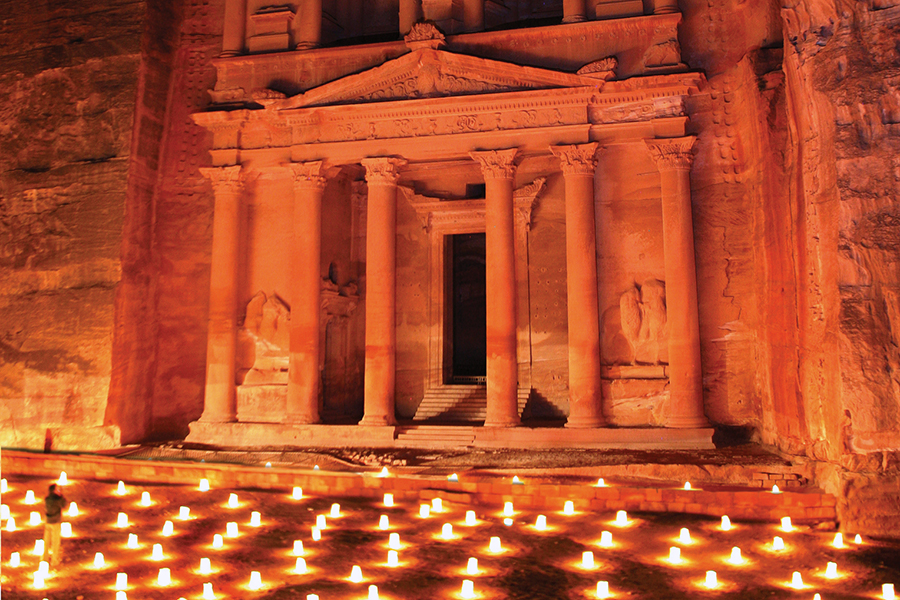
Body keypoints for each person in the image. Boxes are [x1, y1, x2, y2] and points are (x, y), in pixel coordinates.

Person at [43, 483, 67, 566]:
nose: (59, 490)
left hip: (48, 521)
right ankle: (54, 561)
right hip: (55, 522)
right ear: (54, 491)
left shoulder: (47, 499)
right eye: (57, 489)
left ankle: (44, 558)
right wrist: (61, 496)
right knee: (55, 542)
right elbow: (64, 504)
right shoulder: (57, 500)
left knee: (46, 541)